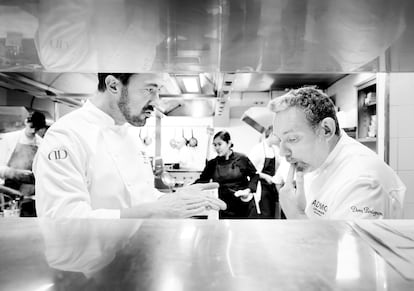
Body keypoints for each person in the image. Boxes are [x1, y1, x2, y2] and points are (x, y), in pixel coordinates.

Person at [33, 73, 226, 219]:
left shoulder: (129, 133)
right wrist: (154, 212)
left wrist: (172, 198)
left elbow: (142, 197)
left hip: (134, 259)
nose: (156, 101)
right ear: (113, 85)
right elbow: (63, 221)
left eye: (158, 90)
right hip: (87, 269)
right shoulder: (66, 136)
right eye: (150, 89)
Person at [269, 86, 406, 219]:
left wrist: (295, 214)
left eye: (292, 139)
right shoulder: (317, 161)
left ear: (326, 130)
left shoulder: (363, 181)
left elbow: (352, 242)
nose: (282, 152)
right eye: (280, 140)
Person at [194, 131, 258, 219]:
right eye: (214, 145)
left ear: (228, 143)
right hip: (225, 206)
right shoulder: (212, 164)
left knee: (245, 231)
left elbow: (254, 175)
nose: (217, 148)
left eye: (219, 144)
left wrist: (248, 190)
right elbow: (202, 181)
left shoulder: (242, 159)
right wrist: (187, 188)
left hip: (244, 204)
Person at [0, 111, 46, 216]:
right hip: (9, 191)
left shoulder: (42, 144)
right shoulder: (9, 139)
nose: (33, 131)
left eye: (36, 129)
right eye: (31, 127)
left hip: (30, 194)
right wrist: (13, 173)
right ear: (26, 122)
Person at [247, 125, 283, 218]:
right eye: (279, 137)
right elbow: (249, 170)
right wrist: (265, 176)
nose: (280, 139)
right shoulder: (258, 148)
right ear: (272, 134)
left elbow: (282, 165)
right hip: (260, 187)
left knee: (271, 214)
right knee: (263, 214)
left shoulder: (276, 149)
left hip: (271, 188)